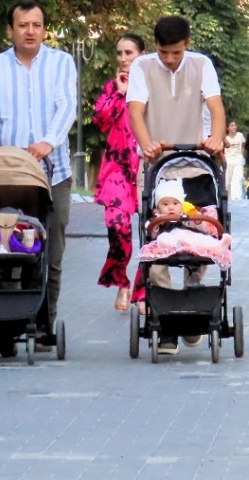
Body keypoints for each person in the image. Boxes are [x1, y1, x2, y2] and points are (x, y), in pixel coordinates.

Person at [0, 1, 76, 350]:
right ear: (10, 30)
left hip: (51, 172)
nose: (31, 31)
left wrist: (48, 142)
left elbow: (67, 106)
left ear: (45, 29)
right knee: (0, 247)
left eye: (37, 25)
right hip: (5, 174)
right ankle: (2, 324)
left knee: (49, 251)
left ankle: (44, 324)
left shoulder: (61, 63)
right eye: (23, 25)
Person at [127, 14, 225, 355]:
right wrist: (146, 143)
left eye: (177, 53)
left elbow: (214, 104)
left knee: (200, 237)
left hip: (196, 165)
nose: (170, 59)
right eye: (165, 53)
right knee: (158, 238)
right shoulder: (142, 67)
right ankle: (164, 323)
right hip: (160, 166)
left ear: (187, 45)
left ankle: (196, 304)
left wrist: (215, 138)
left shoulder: (201, 65)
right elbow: (136, 110)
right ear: (156, 47)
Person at [93, 33, 146, 313]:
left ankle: (142, 289)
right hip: (117, 170)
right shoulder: (112, 88)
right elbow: (100, 120)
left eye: (129, 53)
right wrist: (119, 93)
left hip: (146, 166)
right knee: (118, 229)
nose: (123, 59)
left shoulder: (153, 86)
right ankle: (122, 282)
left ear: (142, 54)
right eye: (120, 53)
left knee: (151, 231)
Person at [224, 120, 245, 201]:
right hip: (228, 160)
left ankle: (237, 198)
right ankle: (227, 199)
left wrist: (242, 155)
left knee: (237, 179)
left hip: (238, 159)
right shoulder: (225, 138)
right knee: (227, 181)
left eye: (235, 125)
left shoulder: (240, 135)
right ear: (227, 128)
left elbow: (243, 146)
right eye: (232, 125)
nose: (234, 127)